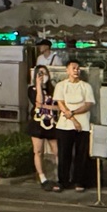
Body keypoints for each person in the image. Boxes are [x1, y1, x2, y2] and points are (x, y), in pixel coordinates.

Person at [52, 58, 94, 191]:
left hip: (83, 124)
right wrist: (71, 117)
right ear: (67, 70)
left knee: (81, 154)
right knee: (64, 153)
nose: (76, 71)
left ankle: (79, 181)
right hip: (65, 124)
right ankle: (63, 180)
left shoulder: (86, 86)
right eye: (73, 68)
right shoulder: (61, 85)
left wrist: (73, 112)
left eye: (78, 68)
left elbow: (88, 104)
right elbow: (60, 103)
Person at [27, 56, 59, 190]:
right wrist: (39, 86)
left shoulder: (54, 89)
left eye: (45, 73)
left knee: (57, 150)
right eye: (40, 74)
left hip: (52, 123)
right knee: (38, 151)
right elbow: (38, 104)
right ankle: (42, 177)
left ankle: (58, 176)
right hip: (37, 123)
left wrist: (49, 108)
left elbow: (59, 106)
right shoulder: (32, 89)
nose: (43, 76)